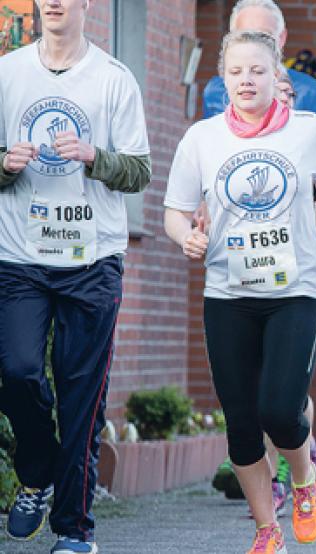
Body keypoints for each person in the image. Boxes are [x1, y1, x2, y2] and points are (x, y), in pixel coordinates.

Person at [164, 30, 316, 553]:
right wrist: (188, 238)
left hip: (294, 290)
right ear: (223, 79)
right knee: (242, 425)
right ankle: (266, 529)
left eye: (257, 71)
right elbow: (174, 212)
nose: (246, 80)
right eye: (236, 72)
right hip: (227, 294)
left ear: (278, 76)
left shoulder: (308, 130)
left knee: (279, 408)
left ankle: (303, 482)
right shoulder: (201, 139)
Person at [0, 2, 151, 552]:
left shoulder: (114, 78)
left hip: (92, 258)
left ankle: (74, 529)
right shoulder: (8, 72)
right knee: (16, 371)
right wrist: (4, 164)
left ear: (88, 3)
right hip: (20, 254)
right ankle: (36, 471)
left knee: (81, 397)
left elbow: (139, 171)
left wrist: (94, 156)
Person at [204, 0, 316, 507]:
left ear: (278, 46)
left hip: (291, 273)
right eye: (237, 46)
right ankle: (266, 503)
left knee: (281, 396)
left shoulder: (312, 100)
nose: (245, 72)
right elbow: (205, 179)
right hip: (231, 272)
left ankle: (302, 464)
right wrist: (197, 221)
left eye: (259, 46)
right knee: (245, 398)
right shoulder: (215, 98)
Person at [202, 0, 316, 178]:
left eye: (265, 36)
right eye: (246, 35)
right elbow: (207, 152)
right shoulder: (215, 91)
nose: (255, 45)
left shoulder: (309, 90)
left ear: (282, 38)